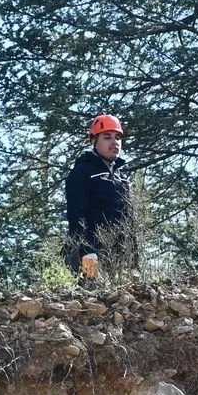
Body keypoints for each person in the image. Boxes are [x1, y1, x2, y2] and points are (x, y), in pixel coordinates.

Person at [64, 114, 134, 280]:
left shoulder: (122, 178)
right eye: (107, 137)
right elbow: (77, 216)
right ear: (93, 141)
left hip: (119, 256)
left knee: (125, 295)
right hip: (90, 253)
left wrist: (134, 259)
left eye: (118, 138)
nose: (114, 142)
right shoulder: (81, 172)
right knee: (91, 291)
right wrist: (86, 251)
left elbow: (130, 221)